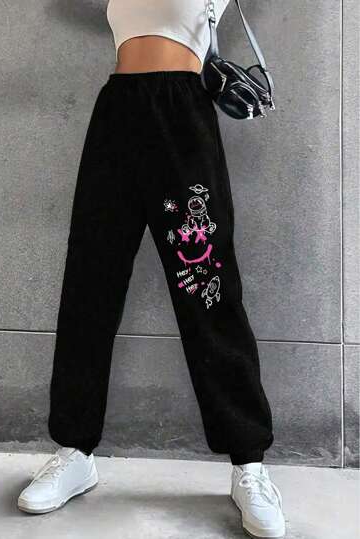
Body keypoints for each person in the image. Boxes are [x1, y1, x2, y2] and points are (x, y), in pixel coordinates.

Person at [17, 1, 286, 537]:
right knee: (89, 286)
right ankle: (75, 451)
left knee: (208, 293)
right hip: (116, 112)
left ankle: (248, 463)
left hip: (183, 113)